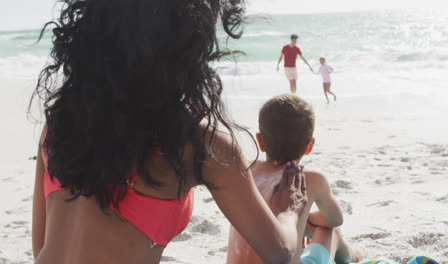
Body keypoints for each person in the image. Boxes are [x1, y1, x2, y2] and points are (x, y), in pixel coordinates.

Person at [30, 1, 308, 263]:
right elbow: (279, 251)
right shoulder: (197, 144)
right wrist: (289, 211)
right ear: (188, 43)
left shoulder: (59, 121)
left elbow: (41, 248)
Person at [226, 94, 362, 264]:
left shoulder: (247, 172)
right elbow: (335, 219)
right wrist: (306, 219)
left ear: (260, 141)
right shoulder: (309, 178)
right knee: (330, 231)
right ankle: (353, 256)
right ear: (310, 146)